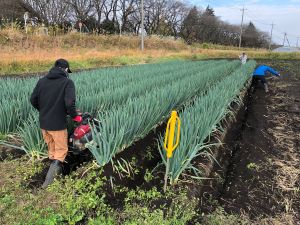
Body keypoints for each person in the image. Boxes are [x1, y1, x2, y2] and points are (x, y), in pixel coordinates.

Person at [30, 59, 82, 188]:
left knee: (52, 149)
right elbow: (70, 104)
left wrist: (44, 110)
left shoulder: (42, 81)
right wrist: (75, 116)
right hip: (57, 125)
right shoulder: (67, 82)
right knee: (61, 150)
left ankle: (50, 174)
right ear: (65, 70)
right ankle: (48, 183)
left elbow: (33, 100)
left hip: (44, 124)